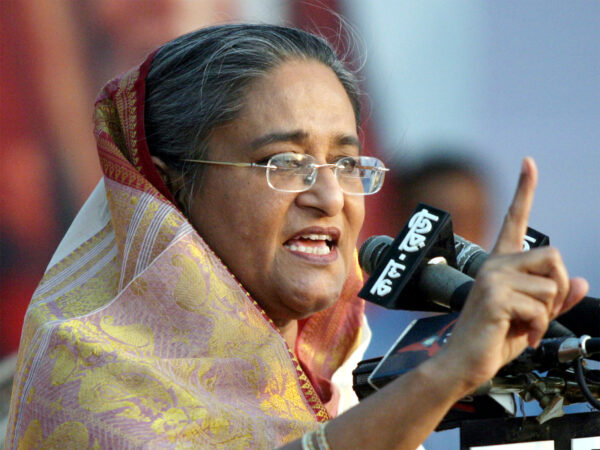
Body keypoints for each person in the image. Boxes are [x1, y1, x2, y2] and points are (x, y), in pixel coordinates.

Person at [5, 24, 588, 449]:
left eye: (347, 163)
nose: (330, 198)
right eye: (284, 163)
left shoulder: (345, 377)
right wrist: (445, 374)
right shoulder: (87, 375)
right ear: (170, 186)